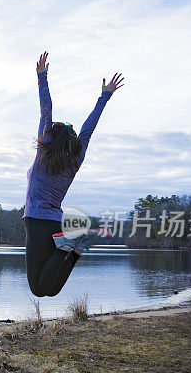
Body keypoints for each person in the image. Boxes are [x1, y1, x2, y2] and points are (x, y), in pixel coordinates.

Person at [24, 51, 124, 297]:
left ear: (50, 139)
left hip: (37, 221)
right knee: (49, 289)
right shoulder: (75, 161)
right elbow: (87, 130)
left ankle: (70, 246)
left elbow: (45, 110)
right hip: (54, 223)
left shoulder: (42, 155)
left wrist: (42, 78)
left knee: (41, 290)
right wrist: (105, 97)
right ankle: (73, 248)